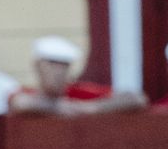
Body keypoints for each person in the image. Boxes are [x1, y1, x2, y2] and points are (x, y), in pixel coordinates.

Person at [9, 35, 146, 115]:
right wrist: (64, 108)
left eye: (63, 65)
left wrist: (91, 108)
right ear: (37, 66)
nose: (57, 71)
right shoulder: (25, 93)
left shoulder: (78, 93)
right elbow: (21, 103)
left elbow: (137, 98)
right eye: (51, 63)